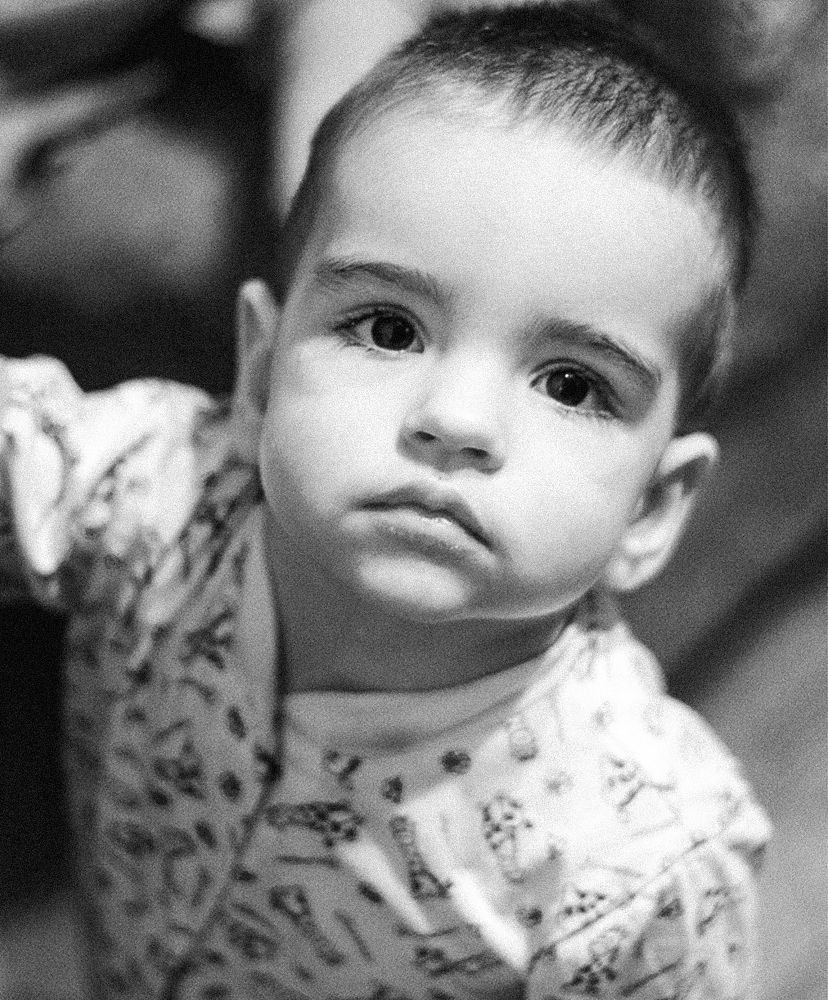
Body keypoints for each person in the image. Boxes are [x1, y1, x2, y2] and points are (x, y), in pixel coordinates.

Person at [0, 4, 772, 997]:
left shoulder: (636, 864)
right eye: (389, 328)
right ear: (261, 368)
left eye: (573, 385)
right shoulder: (156, 487)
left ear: (653, 508)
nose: (455, 418)